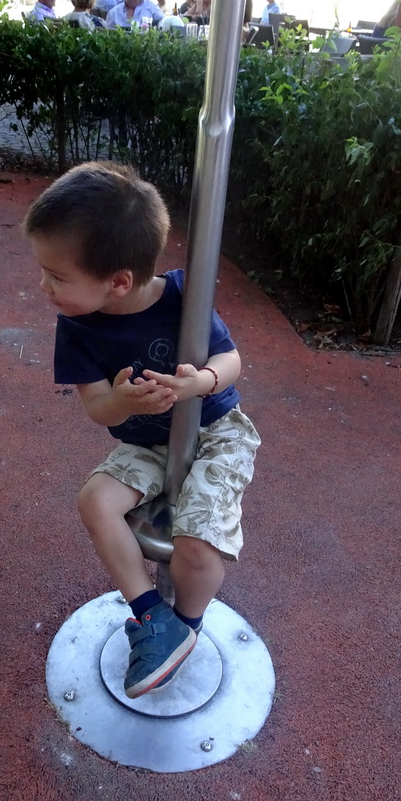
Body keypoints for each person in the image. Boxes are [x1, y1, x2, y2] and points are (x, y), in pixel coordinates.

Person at [25, 162, 260, 699]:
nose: (44, 287)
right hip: (148, 441)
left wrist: (200, 381)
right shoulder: (77, 325)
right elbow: (97, 409)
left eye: (57, 277)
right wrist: (120, 399)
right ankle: (154, 617)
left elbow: (231, 359)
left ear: (119, 281)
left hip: (217, 429)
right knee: (95, 500)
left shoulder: (185, 297)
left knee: (196, 547)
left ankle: (189, 624)